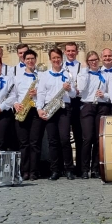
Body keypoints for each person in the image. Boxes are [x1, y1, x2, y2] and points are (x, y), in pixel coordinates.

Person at [37, 47, 76, 180]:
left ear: (61, 58)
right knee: (52, 140)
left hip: (64, 108)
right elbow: (41, 94)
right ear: (50, 59)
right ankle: (55, 170)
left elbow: (73, 94)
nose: (56, 60)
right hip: (50, 108)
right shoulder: (44, 75)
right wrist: (39, 108)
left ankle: (69, 169)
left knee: (65, 139)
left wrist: (69, 89)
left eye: (58, 57)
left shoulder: (68, 74)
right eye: (54, 58)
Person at [12, 49, 42, 180]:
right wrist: (15, 104)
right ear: (23, 60)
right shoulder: (17, 77)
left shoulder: (41, 76)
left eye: (32, 58)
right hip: (22, 109)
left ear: (35, 60)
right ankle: (24, 171)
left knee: (35, 143)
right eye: (28, 59)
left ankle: (34, 171)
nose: (30, 61)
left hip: (35, 110)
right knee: (23, 143)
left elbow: (47, 92)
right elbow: (12, 95)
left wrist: (38, 93)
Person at [77, 51, 107, 179]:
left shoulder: (104, 74)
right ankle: (84, 169)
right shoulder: (83, 74)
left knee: (98, 139)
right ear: (87, 62)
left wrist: (104, 95)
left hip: (101, 106)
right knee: (87, 138)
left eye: (95, 60)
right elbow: (81, 87)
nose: (93, 62)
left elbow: (109, 91)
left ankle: (95, 168)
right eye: (91, 60)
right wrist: (85, 70)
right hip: (87, 105)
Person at [62, 42, 83, 175]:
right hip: (63, 101)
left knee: (78, 135)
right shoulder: (60, 66)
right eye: (68, 51)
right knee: (64, 137)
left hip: (76, 102)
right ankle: (66, 166)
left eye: (73, 51)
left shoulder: (82, 67)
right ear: (65, 52)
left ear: (77, 52)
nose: (70, 53)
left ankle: (80, 167)